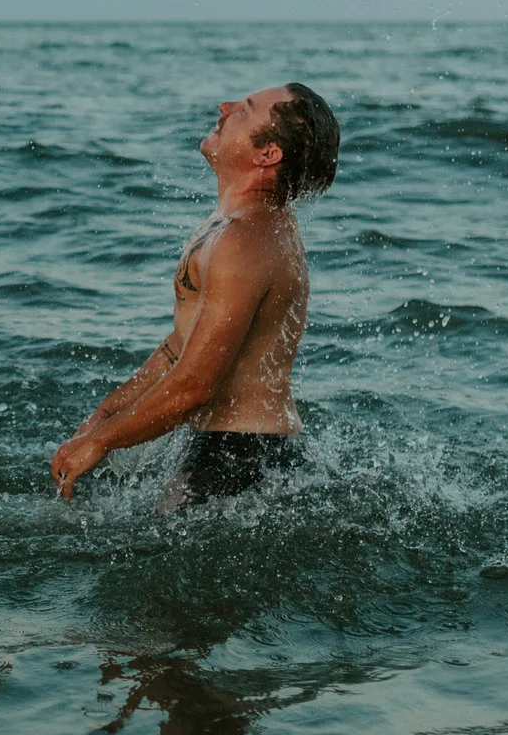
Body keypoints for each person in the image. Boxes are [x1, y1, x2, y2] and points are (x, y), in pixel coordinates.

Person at [52, 84, 340, 506]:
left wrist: (103, 442)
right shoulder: (242, 226)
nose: (223, 108)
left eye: (243, 110)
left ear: (268, 154)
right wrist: (104, 417)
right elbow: (181, 346)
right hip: (236, 448)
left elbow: (195, 387)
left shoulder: (246, 241)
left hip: (241, 458)